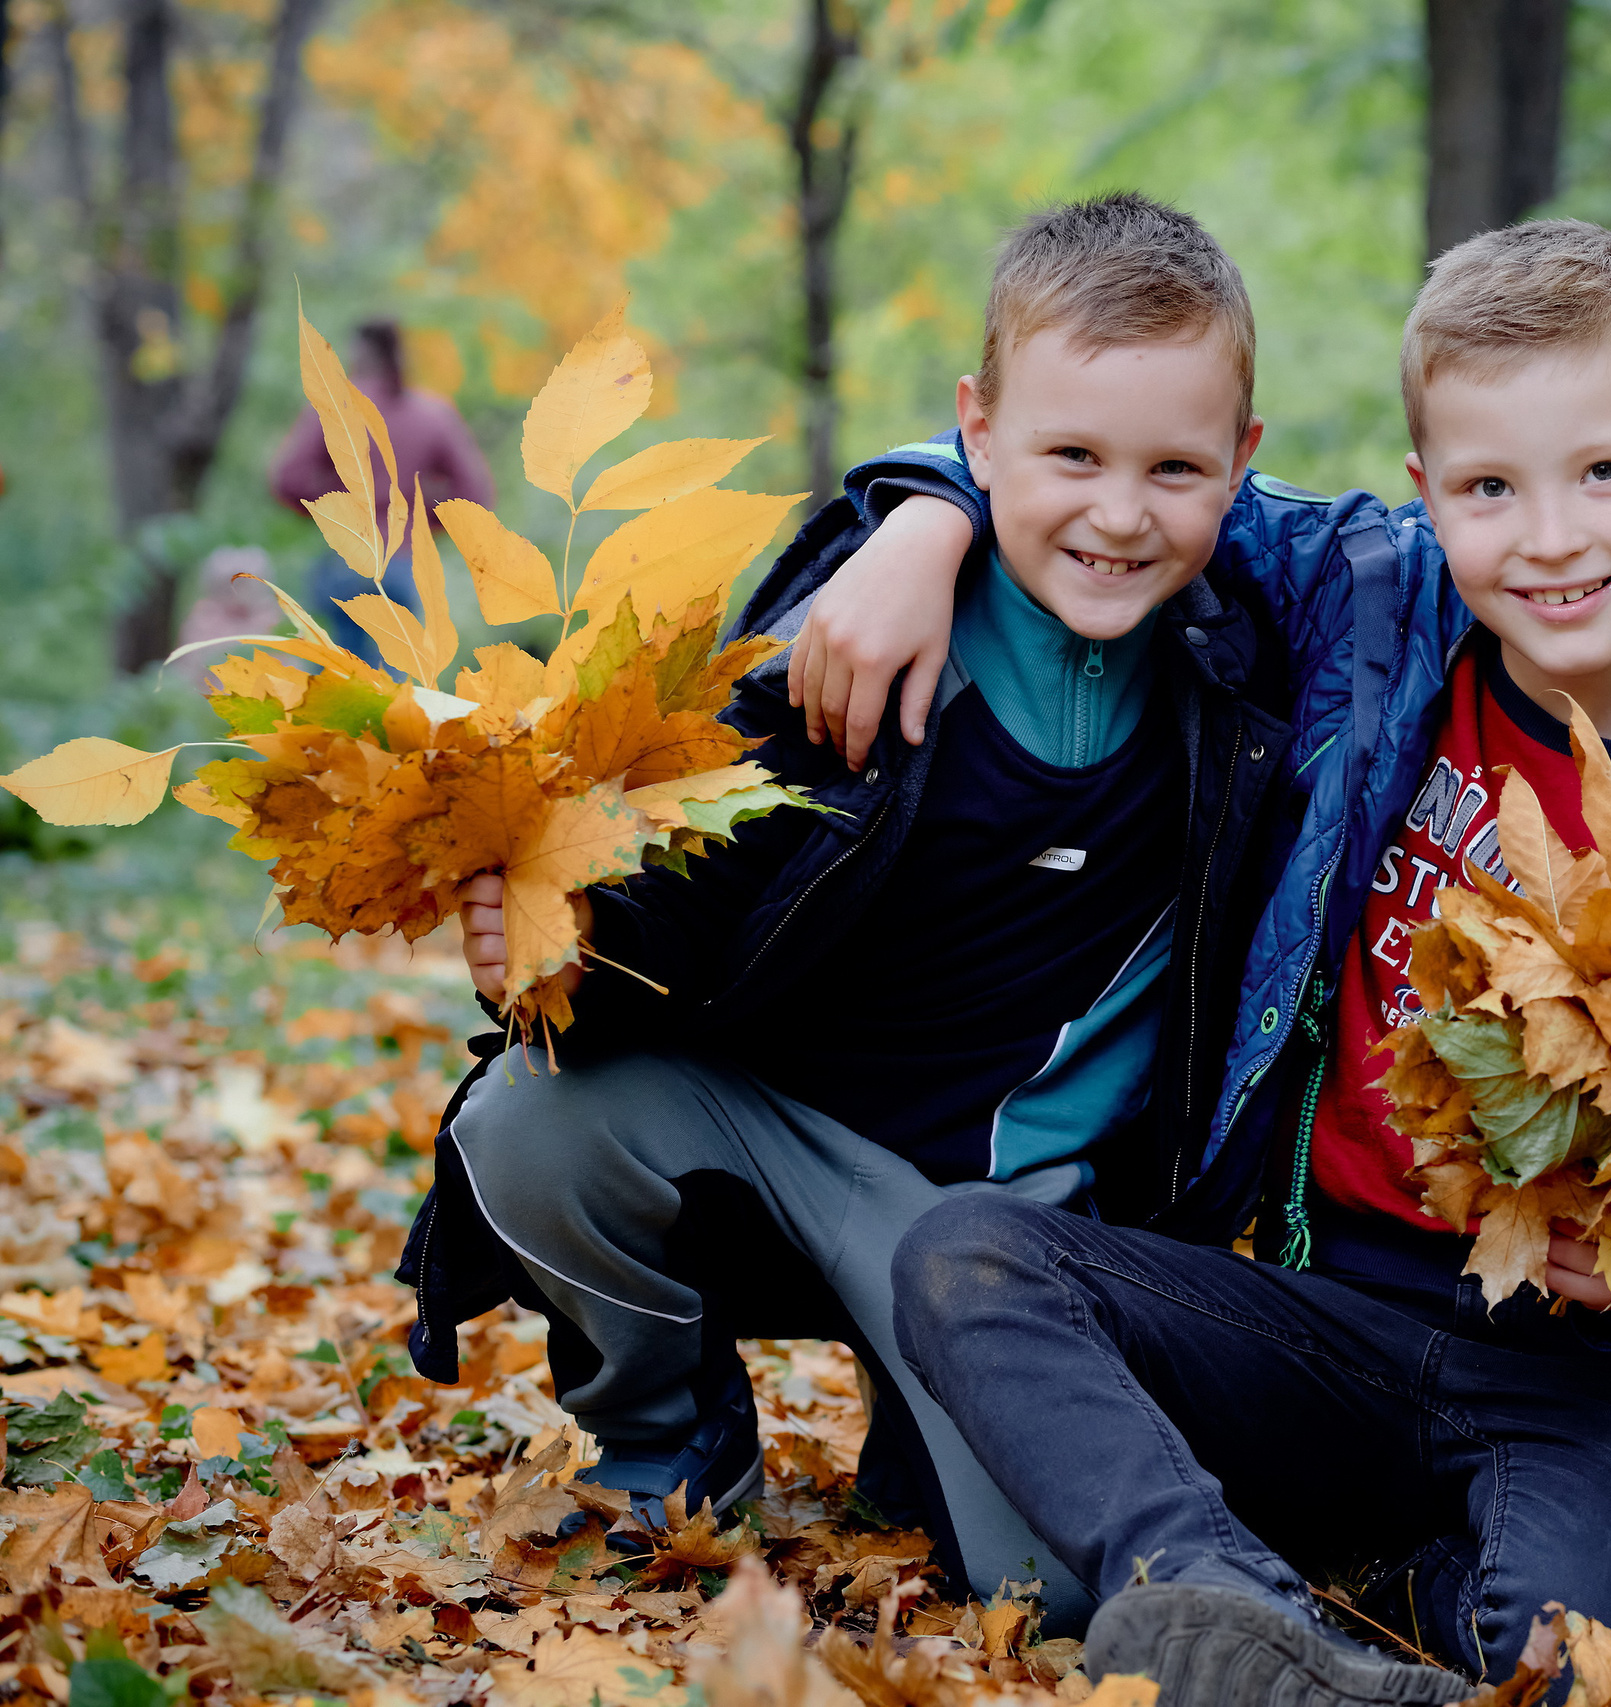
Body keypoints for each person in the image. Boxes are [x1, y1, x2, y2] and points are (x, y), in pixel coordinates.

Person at [798, 221, 1611, 1704]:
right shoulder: (1375, 613)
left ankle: (1371, 1608)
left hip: (1597, 1385)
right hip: (1328, 1316)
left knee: (1575, 1655)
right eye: (1488, 487)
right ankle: (1210, 1590)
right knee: (965, 1254)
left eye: (1604, 473)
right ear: (1427, 494)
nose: (1548, 537)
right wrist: (922, 518)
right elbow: (1122, 470)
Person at [397, 197, 1322, 1629]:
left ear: (1242, 463)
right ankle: (668, 1453)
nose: (1121, 511)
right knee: (526, 1120)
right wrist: (551, 925)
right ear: (979, 427)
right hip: (781, 1145)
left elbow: (1493, 529)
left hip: (1016, 1232)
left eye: (1176, 466)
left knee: (1060, 1589)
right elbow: (685, 889)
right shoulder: (851, 639)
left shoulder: (1254, 668)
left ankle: (926, 1418)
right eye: (1071, 453)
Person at [268, 319, 493, 664]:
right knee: (396, 684)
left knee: (332, 683)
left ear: (360, 352)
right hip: (402, 561)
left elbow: (287, 479)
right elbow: (474, 495)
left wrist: (335, 504)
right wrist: (419, 519)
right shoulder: (433, 413)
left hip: (345, 557)